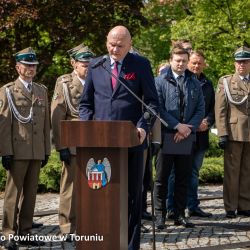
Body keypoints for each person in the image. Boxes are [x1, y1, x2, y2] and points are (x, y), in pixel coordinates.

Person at [79, 25, 159, 250]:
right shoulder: (96, 65)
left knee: (132, 196)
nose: (114, 49)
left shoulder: (140, 65)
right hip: (100, 145)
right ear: (106, 41)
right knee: (102, 195)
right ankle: (104, 241)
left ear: (129, 45)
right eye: (111, 44)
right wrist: (86, 129)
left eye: (120, 46)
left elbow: (152, 102)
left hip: (132, 142)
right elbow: (86, 104)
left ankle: (131, 244)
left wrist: (143, 126)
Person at [0, 47, 50, 249]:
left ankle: (25, 231)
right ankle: (8, 233)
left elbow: (46, 124)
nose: (30, 68)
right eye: (27, 65)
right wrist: (6, 151)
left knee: (30, 194)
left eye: (33, 65)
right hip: (18, 150)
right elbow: (4, 125)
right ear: (17, 67)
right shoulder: (8, 91)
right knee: (13, 194)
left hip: (36, 150)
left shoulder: (41, 90)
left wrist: (47, 150)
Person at [154, 46, 204, 230]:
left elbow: (200, 108)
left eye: (184, 60)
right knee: (162, 178)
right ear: (171, 60)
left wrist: (188, 128)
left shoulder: (194, 82)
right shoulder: (159, 81)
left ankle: (179, 214)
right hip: (167, 135)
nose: (181, 64)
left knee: (183, 177)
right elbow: (158, 108)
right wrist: (177, 126)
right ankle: (159, 215)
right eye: (178, 60)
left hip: (186, 136)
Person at [51, 45, 94, 241]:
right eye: (84, 64)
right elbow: (57, 115)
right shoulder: (65, 83)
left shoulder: (98, 81)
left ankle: (88, 223)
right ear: (73, 64)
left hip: (95, 141)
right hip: (73, 141)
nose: (87, 67)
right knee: (70, 187)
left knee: (93, 184)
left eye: (89, 64)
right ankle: (67, 226)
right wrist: (61, 146)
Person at [167, 50, 215, 218]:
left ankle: (192, 206)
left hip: (200, 137)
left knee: (194, 173)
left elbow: (212, 109)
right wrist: (189, 126)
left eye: (199, 63)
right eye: (193, 62)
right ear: (188, 62)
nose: (196, 66)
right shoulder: (180, 80)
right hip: (181, 135)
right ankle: (171, 208)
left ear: (204, 64)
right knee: (175, 173)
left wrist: (207, 121)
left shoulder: (208, 84)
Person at [215, 45, 250, 219]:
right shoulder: (226, 82)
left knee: (247, 171)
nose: (241, 65)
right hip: (234, 132)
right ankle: (230, 206)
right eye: (238, 62)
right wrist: (222, 133)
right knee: (232, 171)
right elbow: (220, 110)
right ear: (234, 64)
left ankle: (244, 205)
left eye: (244, 61)